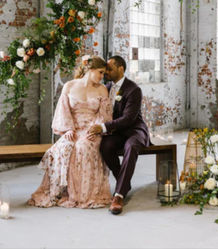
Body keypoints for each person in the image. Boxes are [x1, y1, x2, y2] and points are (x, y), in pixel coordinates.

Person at [28, 55, 112, 209]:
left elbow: (104, 115)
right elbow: (63, 111)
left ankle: (82, 195)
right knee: (63, 147)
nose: (102, 77)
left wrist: (96, 129)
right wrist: (67, 129)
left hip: (92, 130)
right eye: (100, 72)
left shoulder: (102, 90)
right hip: (73, 128)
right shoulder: (70, 86)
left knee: (83, 147)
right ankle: (60, 191)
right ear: (89, 69)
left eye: (103, 74)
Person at [88, 55, 150, 214]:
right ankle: (124, 182)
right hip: (116, 132)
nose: (106, 72)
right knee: (105, 146)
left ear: (121, 69)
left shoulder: (134, 89)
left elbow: (129, 119)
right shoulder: (106, 87)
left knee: (132, 146)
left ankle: (119, 195)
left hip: (134, 129)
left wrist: (103, 127)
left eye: (110, 68)